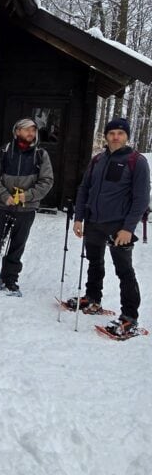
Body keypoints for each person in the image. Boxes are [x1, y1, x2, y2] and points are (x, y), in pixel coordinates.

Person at [73, 117, 150, 335]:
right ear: (106, 136)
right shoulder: (97, 160)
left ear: (126, 137)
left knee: (124, 271)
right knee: (94, 262)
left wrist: (128, 228)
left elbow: (141, 198)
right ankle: (93, 299)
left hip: (119, 226)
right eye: (112, 133)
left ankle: (129, 318)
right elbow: (84, 189)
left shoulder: (137, 161)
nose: (116, 137)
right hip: (94, 222)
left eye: (120, 133)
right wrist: (79, 218)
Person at [0, 118, 53, 295]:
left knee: (18, 243)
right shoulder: (3, 151)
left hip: (26, 208)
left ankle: (9, 278)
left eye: (33, 130)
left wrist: (27, 196)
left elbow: (47, 181)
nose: (31, 133)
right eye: (26, 130)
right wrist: (4, 195)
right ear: (17, 132)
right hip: (2, 204)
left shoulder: (41, 154)